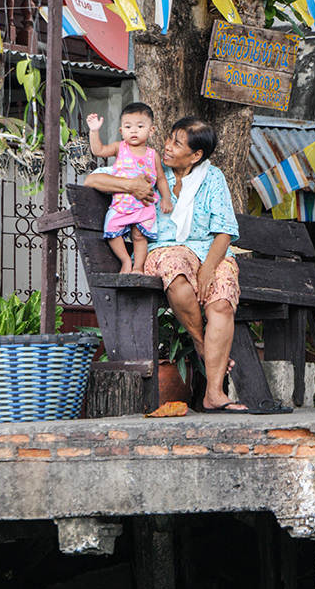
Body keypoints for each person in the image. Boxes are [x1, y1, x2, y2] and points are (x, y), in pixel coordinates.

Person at [85, 115, 248, 413]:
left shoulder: (212, 178)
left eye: (177, 143)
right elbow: (92, 179)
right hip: (162, 249)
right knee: (176, 273)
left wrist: (210, 268)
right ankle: (201, 344)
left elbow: (224, 230)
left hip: (208, 250)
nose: (168, 146)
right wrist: (131, 185)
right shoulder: (148, 166)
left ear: (196, 155)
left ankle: (213, 393)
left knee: (222, 301)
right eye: (170, 139)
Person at [87, 103, 173, 274]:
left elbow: (161, 179)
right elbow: (98, 150)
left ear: (151, 130)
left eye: (140, 126)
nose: (133, 131)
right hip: (121, 205)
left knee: (139, 237)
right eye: (128, 126)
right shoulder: (120, 148)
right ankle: (126, 260)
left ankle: (138, 267)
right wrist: (94, 131)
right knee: (112, 230)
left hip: (144, 205)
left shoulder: (153, 155)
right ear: (121, 131)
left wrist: (166, 197)